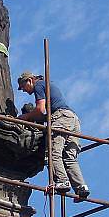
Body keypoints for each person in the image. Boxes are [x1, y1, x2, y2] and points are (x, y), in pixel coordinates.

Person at [17, 71, 90, 200]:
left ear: (29, 80)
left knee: (52, 152)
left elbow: (40, 109)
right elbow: (46, 113)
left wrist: (26, 117)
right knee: (69, 156)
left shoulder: (38, 85)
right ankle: (81, 187)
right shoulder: (48, 84)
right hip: (72, 119)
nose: (23, 90)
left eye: (23, 86)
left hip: (61, 118)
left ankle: (62, 181)